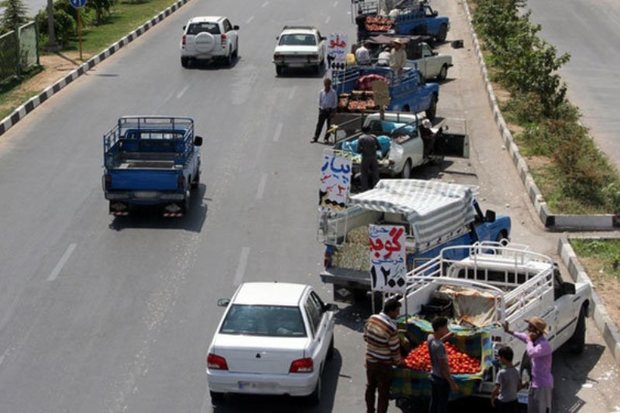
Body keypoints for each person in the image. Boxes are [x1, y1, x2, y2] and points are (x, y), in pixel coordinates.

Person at [503, 317, 553, 413]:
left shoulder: (544, 345)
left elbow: (531, 353)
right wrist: (509, 331)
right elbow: (522, 336)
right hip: (534, 383)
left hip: (542, 385)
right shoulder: (534, 341)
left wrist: (529, 340)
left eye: (530, 328)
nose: (528, 330)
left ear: (537, 332)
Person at [364, 298, 402, 413]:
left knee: (370, 387)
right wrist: (399, 361)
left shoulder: (372, 319)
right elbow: (395, 350)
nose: (398, 313)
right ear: (390, 311)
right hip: (384, 365)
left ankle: (370, 410)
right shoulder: (391, 328)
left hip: (370, 361)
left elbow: (365, 337)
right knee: (383, 392)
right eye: (397, 311)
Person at [428, 316, 459, 413]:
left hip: (433, 376)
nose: (448, 329)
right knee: (442, 406)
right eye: (446, 327)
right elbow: (443, 367)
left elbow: (438, 340)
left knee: (434, 402)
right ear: (440, 328)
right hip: (441, 379)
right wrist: (452, 383)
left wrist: (447, 336)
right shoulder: (440, 347)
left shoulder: (430, 338)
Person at [491, 346, 522, 413]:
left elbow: (496, 389)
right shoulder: (517, 371)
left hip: (503, 403)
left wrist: (492, 399)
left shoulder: (501, 372)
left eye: (499, 357)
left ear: (503, 358)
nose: (499, 359)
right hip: (514, 402)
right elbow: (519, 386)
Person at [312, 78, 338, 143]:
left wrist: (333, 111)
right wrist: (320, 109)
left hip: (330, 110)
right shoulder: (321, 92)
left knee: (330, 126)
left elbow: (335, 102)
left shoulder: (333, 92)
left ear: (330, 85)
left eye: (327, 85)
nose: (326, 86)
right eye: (325, 84)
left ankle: (326, 138)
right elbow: (320, 101)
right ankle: (315, 137)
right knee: (319, 125)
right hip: (323, 110)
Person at [357, 125, 381, 191]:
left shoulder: (361, 138)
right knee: (375, 173)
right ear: (370, 130)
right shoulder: (374, 137)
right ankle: (376, 188)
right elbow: (379, 147)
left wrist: (364, 149)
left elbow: (358, 150)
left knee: (364, 173)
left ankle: (364, 188)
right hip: (374, 157)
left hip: (365, 157)